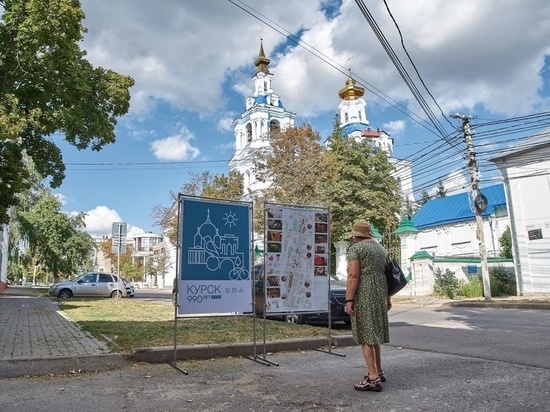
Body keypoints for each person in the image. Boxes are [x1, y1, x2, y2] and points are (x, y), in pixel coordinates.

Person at [345, 221, 392, 392]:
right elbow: (387, 275)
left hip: (364, 293)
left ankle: (372, 378)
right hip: (380, 292)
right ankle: (378, 371)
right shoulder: (381, 249)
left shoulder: (356, 249)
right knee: (375, 335)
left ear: (355, 235)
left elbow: (353, 275)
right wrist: (387, 297)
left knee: (365, 336)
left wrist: (349, 299)